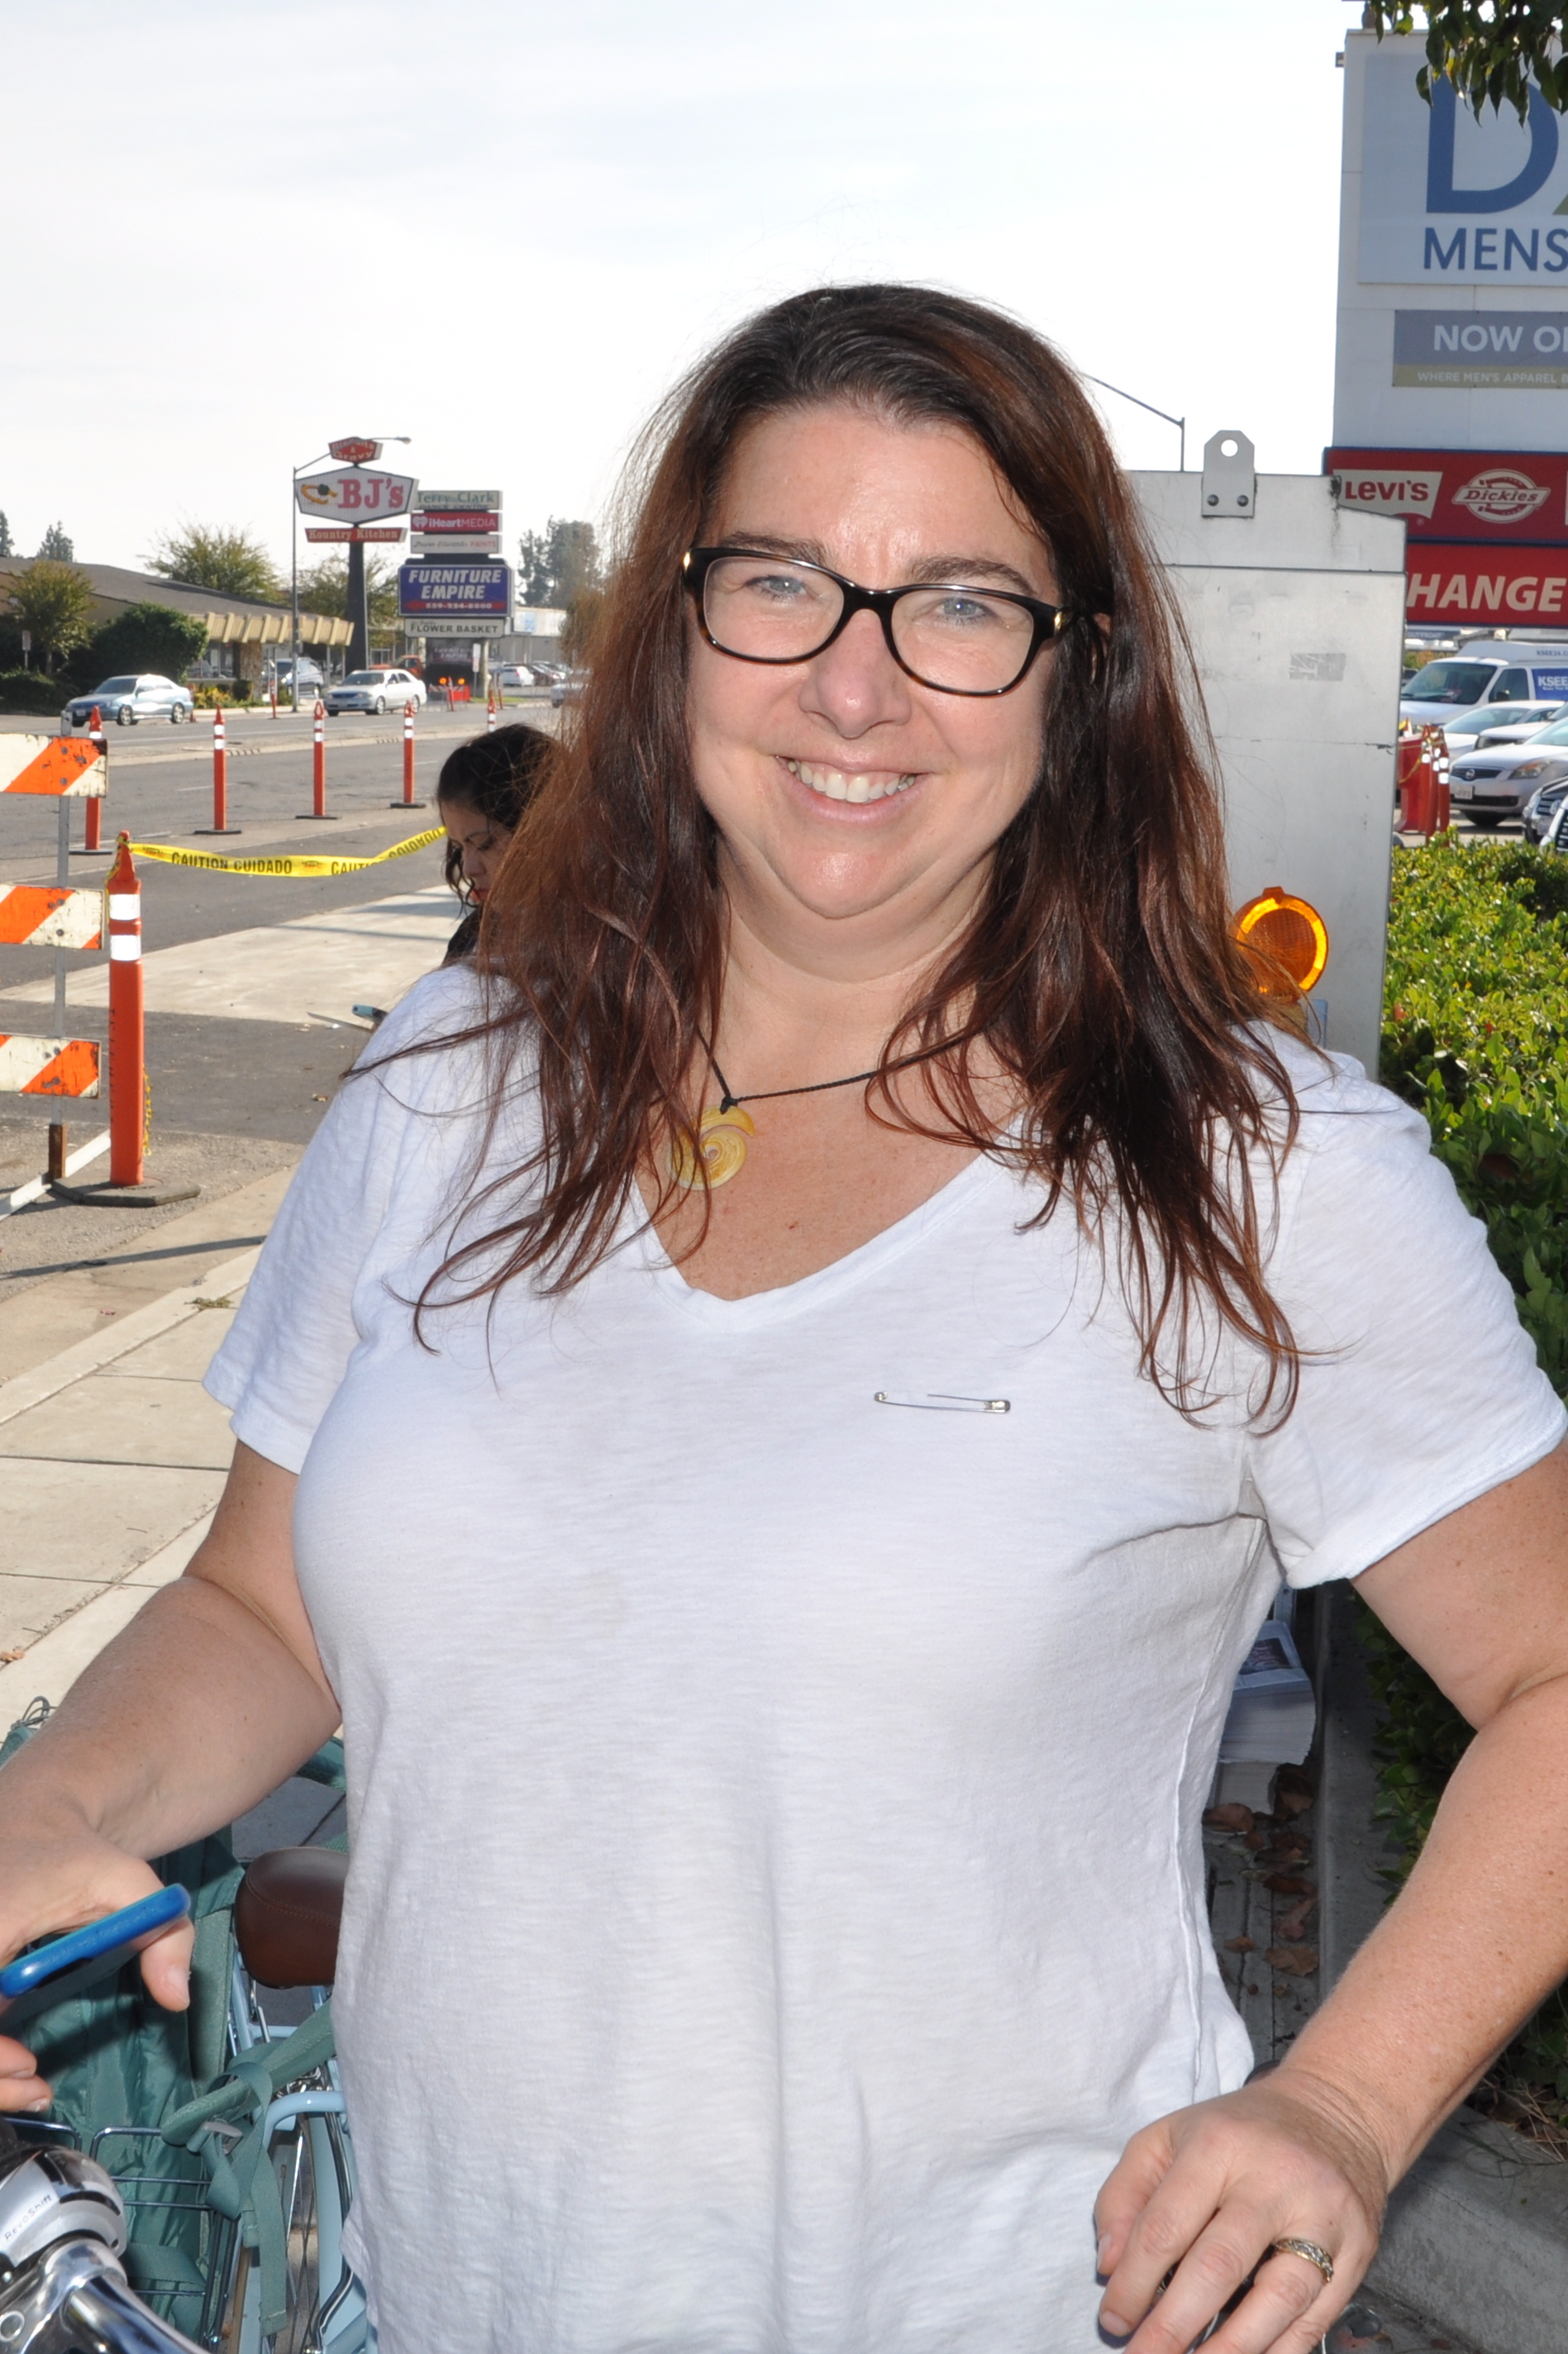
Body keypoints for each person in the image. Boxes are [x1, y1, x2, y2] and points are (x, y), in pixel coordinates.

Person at [2, 284, 1567, 2354]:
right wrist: (57, 1798)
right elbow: (263, 1604)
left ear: (1077, 668)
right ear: (672, 629)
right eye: (780, 582)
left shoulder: (1253, 1167)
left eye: (961, 603)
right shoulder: (449, 1082)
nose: (856, 682)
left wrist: (1343, 2107)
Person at [436, 722, 552, 962]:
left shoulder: (608, 949)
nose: (469, 869)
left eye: (485, 843)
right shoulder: (470, 940)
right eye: (458, 848)